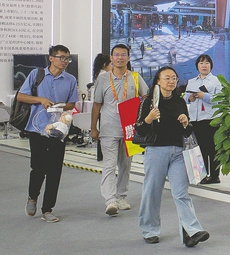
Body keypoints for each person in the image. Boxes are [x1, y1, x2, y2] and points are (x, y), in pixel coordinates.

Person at [135, 66, 209, 246]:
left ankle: (191, 231)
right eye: (167, 78)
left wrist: (186, 123)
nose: (171, 81)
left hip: (178, 152)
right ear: (158, 81)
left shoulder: (180, 101)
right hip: (156, 151)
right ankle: (149, 230)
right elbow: (139, 129)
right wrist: (149, 118)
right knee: (152, 191)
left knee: (181, 193)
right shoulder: (148, 102)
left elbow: (187, 131)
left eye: (174, 78)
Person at [17, 45, 79, 223]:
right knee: (38, 167)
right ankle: (32, 197)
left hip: (58, 129)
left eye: (67, 58)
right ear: (51, 58)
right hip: (37, 127)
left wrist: (60, 106)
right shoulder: (36, 75)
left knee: (55, 170)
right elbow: (21, 96)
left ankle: (47, 209)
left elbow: (72, 103)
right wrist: (41, 100)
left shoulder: (70, 80)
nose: (65, 61)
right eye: (61, 58)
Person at [91, 44, 148, 216]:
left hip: (129, 129)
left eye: (123, 55)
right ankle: (110, 200)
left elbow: (146, 97)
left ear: (128, 58)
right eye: (116, 55)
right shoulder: (103, 79)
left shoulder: (135, 77)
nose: (120, 58)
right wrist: (93, 128)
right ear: (111, 58)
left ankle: (121, 196)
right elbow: (96, 105)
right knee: (109, 164)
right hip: (108, 128)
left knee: (125, 165)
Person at [185, 54, 222, 185]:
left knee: (212, 148)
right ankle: (202, 175)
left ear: (211, 65)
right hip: (195, 119)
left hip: (210, 118)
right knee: (199, 148)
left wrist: (204, 96)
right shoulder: (191, 82)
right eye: (201, 63)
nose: (204, 66)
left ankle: (214, 176)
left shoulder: (216, 81)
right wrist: (190, 98)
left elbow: (219, 98)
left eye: (207, 63)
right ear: (197, 66)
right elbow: (185, 98)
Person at [89, 53, 111, 162]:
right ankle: (101, 155)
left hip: (101, 108)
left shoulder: (98, 75)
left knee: (101, 132)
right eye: (111, 64)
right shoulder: (104, 76)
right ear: (104, 64)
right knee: (103, 133)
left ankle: (100, 155)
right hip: (104, 109)